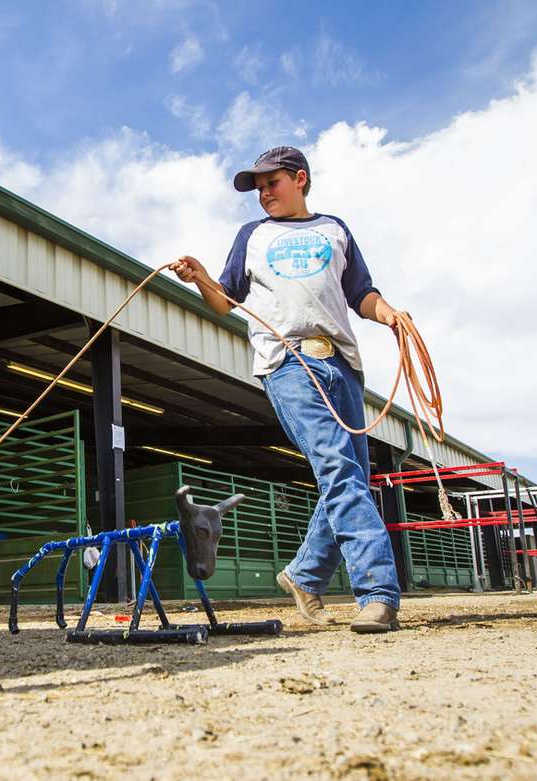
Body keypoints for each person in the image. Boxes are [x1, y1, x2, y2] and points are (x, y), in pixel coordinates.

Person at [172, 146, 403, 633]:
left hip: (341, 363)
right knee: (340, 470)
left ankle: (303, 575)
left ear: (300, 179)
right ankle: (378, 593)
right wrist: (200, 279)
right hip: (287, 360)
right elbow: (225, 301)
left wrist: (390, 317)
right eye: (257, 188)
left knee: (350, 478)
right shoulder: (252, 235)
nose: (263, 194)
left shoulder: (334, 229)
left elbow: (361, 292)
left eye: (271, 183)